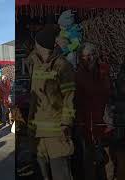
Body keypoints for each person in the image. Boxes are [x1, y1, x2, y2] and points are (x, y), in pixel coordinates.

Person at [25, 26, 75, 180]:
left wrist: (66, 123)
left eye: (36, 44)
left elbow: (69, 98)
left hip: (56, 135)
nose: (34, 46)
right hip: (37, 135)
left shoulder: (63, 66)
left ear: (40, 45)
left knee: (61, 175)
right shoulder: (34, 62)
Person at [75, 42, 115, 180]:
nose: (90, 58)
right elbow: (77, 101)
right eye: (86, 56)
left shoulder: (103, 71)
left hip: (103, 119)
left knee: (107, 157)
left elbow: (109, 94)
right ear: (81, 57)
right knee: (89, 158)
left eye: (92, 54)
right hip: (86, 122)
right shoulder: (79, 75)